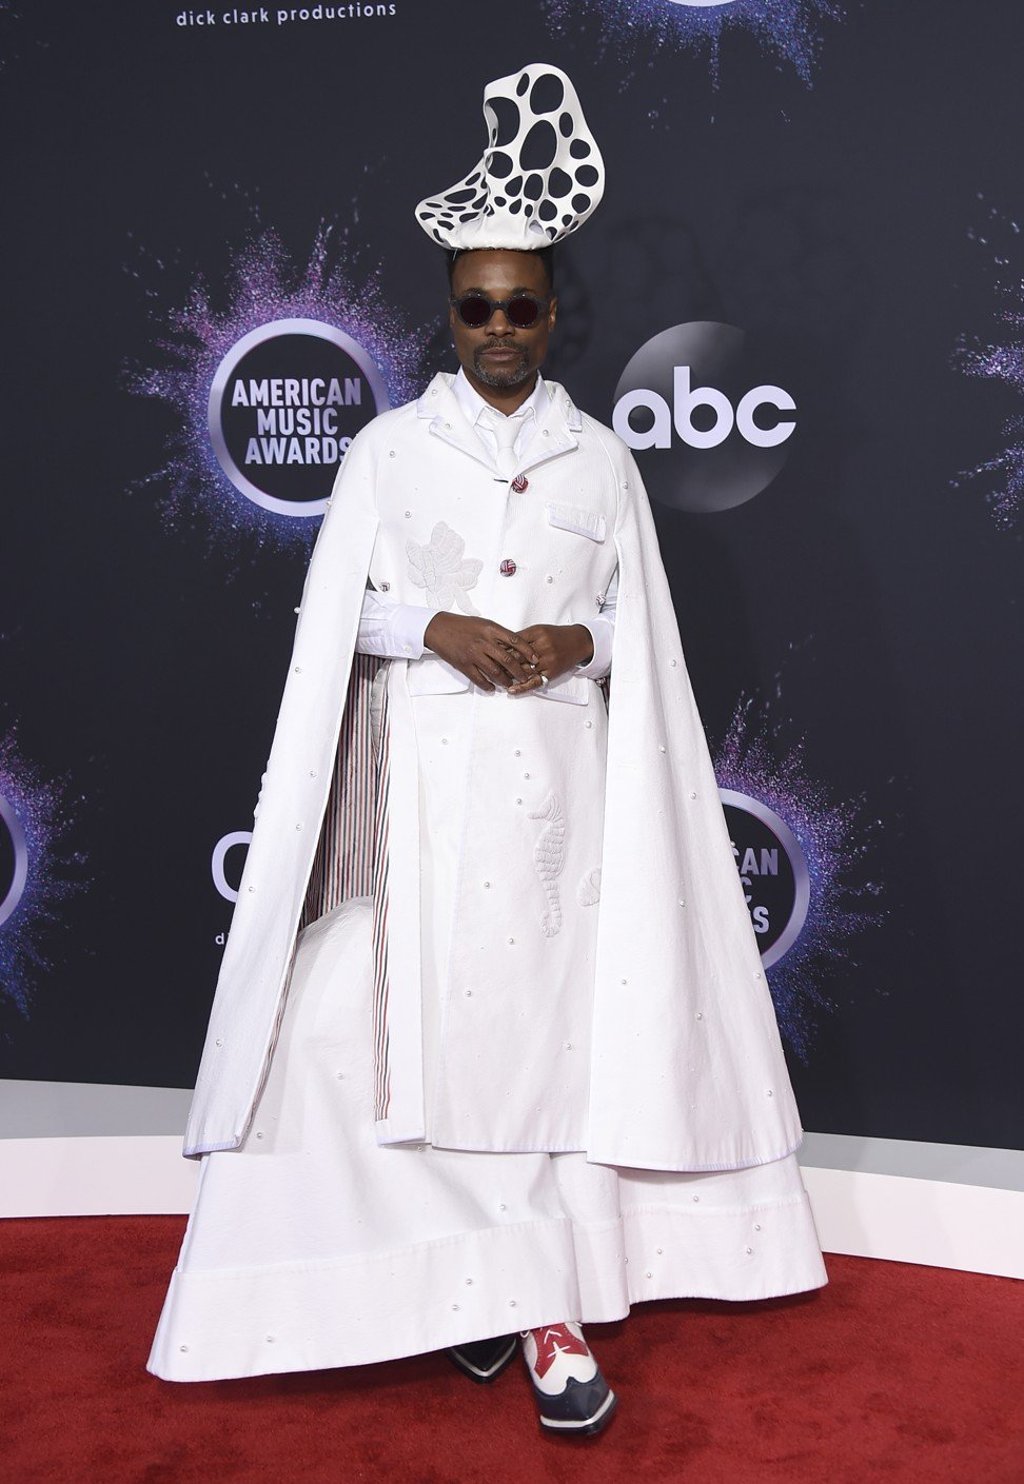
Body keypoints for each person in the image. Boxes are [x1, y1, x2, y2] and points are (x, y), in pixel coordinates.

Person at [149, 64, 826, 1438]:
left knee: (555, 1056)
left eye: (523, 305)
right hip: (435, 798)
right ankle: (496, 1293)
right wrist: (437, 624)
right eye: (477, 307)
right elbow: (342, 617)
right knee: (393, 1038)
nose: (501, 328)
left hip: (570, 806)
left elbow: (645, 634)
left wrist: (577, 645)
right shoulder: (387, 456)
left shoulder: (602, 464)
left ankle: (534, 1301)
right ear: (447, 315)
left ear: (555, 314)